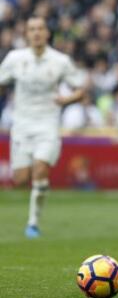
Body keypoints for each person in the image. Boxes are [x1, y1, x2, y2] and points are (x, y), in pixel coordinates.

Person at [0, 16, 86, 238]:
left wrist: (67, 100)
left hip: (48, 124)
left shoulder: (60, 61)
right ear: (26, 34)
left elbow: (80, 88)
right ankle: (36, 194)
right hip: (21, 125)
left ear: (47, 33)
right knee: (20, 179)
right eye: (32, 29)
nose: (36, 33)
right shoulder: (15, 58)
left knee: (40, 168)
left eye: (40, 28)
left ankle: (33, 224)